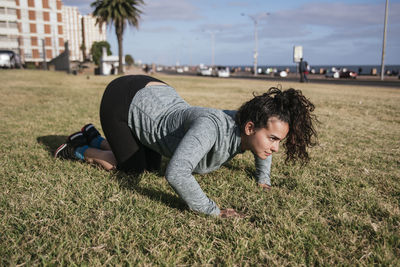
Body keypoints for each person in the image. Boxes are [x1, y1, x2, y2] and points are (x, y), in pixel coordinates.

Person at [55, 75, 318, 217]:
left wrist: (264, 179)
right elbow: (177, 173)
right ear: (249, 128)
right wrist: (211, 210)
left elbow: (265, 144)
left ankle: (92, 134)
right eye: (273, 140)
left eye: (278, 141)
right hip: (123, 98)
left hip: (157, 93)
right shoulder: (211, 127)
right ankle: (78, 148)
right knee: (133, 168)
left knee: (152, 163)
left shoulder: (246, 125)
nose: (275, 148)